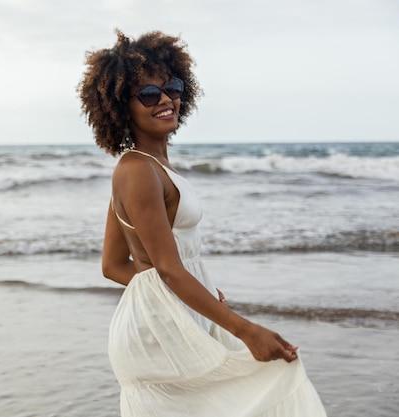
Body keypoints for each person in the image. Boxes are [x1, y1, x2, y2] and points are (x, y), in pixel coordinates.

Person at [78, 30, 327, 417]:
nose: (164, 99)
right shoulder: (137, 171)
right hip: (159, 331)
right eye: (147, 94)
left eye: (171, 87)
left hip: (177, 315)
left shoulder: (153, 166)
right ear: (120, 107)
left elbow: (116, 267)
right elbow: (165, 266)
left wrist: (197, 291)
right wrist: (245, 330)